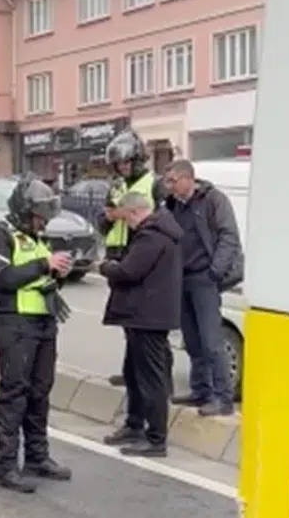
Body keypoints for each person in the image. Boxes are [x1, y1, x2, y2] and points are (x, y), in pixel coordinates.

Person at [0, 175, 75, 493]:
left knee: (40, 393)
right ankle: (5, 466)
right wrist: (43, 264)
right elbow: (4, 278)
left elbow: (40, 277)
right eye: (38, 217)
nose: (42, 223)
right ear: (23, 211)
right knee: (14, 394)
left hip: (44, 324)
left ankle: (37, 457)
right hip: (16, 325)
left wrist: (57, 274)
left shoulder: (37, 239)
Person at [98, 191, 182, 456]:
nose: (126, 224)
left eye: (126, 218)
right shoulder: (159, 232)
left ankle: (156, 439)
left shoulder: (152, 236)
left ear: (134, 212)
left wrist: (107, 267)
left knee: (150, 379)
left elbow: (129, 271)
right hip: (142, 315)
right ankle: (134, 425)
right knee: (133, 373)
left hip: (148, 316)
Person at [162, 160, 243, 416]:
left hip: (204, 278)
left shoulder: (213, 200)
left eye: (173, 181)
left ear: (188, 179)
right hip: (182, 279)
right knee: (193, 340)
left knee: (211, 341)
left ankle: (223, 398)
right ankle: (201, 391)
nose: (170, 187)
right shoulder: (174, 205)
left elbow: (229, 236)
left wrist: (215, 272)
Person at [99, 128, 165, 387]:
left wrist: (134, 216)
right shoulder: (115, 186)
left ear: (137, 160)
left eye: (125, 162)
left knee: (147, 324)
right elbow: (103, 221)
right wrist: (109, 217)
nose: (122, 168)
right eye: (118, 164)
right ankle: (131, 373)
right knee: (129, 322)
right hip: (118, 254)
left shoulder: (154, 184)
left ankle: (159, 378)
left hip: (142, 253)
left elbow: (164, 219)